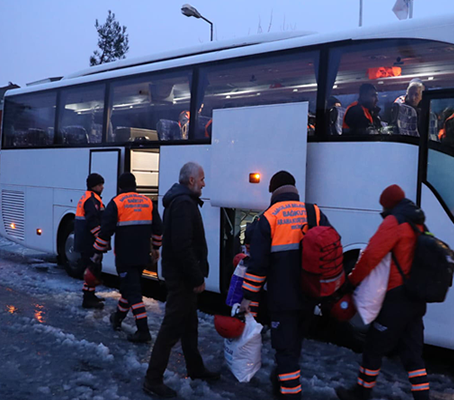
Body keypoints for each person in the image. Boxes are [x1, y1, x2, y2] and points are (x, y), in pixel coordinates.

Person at [240, 171, 331, 399]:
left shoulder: (269, 218)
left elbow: (258, 266)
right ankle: (280, 380)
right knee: (294, 344)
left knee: (285, 351)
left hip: (282, 300)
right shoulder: (314, 212)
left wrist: (247, 298)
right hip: (309, 295)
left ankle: (290, 393)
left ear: (272, 191)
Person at [336, 185, 429, 400]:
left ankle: (361, 392)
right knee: (413, 354)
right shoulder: (418, 222)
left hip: (397, 298)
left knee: (373, 346)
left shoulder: (394, 222)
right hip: (416, 298)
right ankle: (423, 396)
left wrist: (351, 282)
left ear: (388, 204)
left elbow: (371, 256)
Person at [143, 162, 219, 398]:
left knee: (189, 326)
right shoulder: (184, 204)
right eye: (202, 179)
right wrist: (197, 277)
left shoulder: (181, 201)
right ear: (191, 181)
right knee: (171, 329)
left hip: (181, 276)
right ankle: (152, 379)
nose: (205, 183)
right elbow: (183, 246)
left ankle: (195, 368)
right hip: (183, 279)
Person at [93, 172, 163, 343]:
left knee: (133, 292)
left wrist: (98, 252)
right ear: (135, 185)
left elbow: (105, 231)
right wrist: (155, 248)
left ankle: (143, 330)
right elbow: (158, 227)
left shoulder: (117, 202)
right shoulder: (147, 202)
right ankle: (117, 318)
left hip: (125, 257)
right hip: (142, 257)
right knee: (129, 288)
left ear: (120, 187)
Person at [75, 173, 106, 309]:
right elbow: (92, 221)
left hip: (85, 239)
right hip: (89, 242)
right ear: (94, 186)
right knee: (92, 269)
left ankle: (90, 294)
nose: (102, 187)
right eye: (100, 185)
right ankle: (88, 299)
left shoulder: (88, 197)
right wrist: (100, 238)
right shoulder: (92, 200)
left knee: (91, 269)